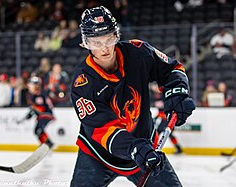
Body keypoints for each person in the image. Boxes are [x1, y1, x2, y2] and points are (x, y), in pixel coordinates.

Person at [70, 6, 195, 187]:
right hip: (98, 156)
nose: (104, 48)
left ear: (117, 35)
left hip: (144, 148)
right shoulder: (83, 84)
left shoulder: (138, 53)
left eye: (109, 39)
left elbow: (172, 70)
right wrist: (134, 148)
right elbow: (103, 131)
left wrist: (177, 93)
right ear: (85, 43)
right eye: (96, 42)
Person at [19, 76, 54, 148]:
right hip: (43, 115)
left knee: (39, 130)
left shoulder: (39, 95)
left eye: (31, 84)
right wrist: (31, 113)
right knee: (37, 131)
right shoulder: (35, 95)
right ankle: (45, 144)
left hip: (46, 114)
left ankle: (48, 144)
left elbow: (41, 109)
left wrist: (32, 111)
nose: (29, 86)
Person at [150, 83, 183, 154]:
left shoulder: (164, 95)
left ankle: (178, 148)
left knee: (165, 133)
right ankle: (154, 147)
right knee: (159, 132)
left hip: (168, 118)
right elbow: (160, 110)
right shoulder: (153, 97)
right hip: (163, 118)